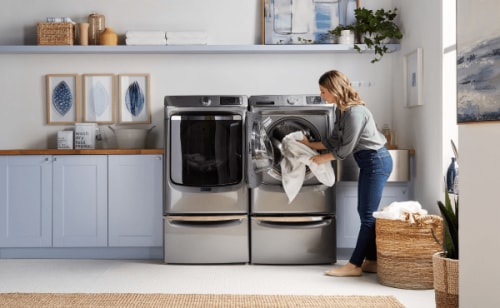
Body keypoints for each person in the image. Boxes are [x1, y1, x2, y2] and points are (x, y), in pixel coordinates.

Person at [300, 70, 393, 277]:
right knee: (365, 213)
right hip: (369, 162)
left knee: (367, 215)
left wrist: (321, 158)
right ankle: (372, 260)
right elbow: (332, 142)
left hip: (376, 161)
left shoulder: (355, 113)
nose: (322, 95)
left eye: (324, 91)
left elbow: (344, 150)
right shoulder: (340, 110)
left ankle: (354, 265)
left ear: (335, 90)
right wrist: (308, 144)